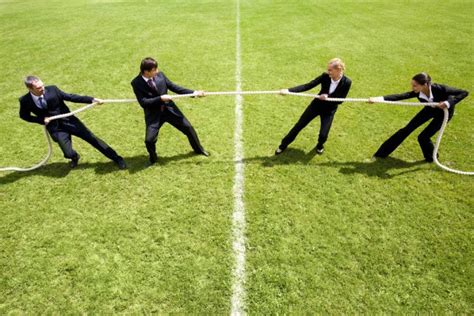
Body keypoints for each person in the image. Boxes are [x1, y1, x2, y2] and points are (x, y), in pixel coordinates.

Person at [19, 76, 127, 169]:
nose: (43, 89)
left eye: (42, 85)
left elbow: (71, 97)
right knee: (68, 153)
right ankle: (74, 157)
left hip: (70, 122)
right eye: (38, 88)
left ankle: (117, 158)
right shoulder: (24, 100)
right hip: (56, 128)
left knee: (92, 139)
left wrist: (92, 99)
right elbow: (24, 116)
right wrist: (41, 120)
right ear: (30, 88)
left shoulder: (52, 89)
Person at [370, 73, 469, 162]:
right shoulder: (418, 92)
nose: (413, 88)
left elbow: (464, 92)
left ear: (425, 85)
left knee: (423, 137)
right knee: (406, 130)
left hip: (443, 114)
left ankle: (431, 158)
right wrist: (378, 99)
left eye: (415, 85)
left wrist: (448, 103)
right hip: (429, 110)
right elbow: (401, 96)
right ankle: (381, 154)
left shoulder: (440, 88)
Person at [130, 57, 209, 165]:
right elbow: (143, 102)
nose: (157, 71)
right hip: (154, 114)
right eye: (154, 70)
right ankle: (153, 158)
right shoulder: (136, 83)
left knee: (189, 128)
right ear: (146, 72)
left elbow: (175, 87)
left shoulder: (160, 76)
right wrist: (160, 98)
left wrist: (194, 93)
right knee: (149, 140)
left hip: (169, 110)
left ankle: (199, 149)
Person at [275, 58, 352, 155]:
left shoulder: (347, 82)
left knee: (323, 135)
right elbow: (307, 86)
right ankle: (283, 145)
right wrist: (288, 90)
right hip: (315, 107)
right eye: (328, 69)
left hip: (329, 111)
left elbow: (341, 100)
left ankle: (320, 145)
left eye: (330, 70)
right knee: (298, 126)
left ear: (339, 70)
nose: (328, 72)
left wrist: (328, 97)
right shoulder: (325, 76)